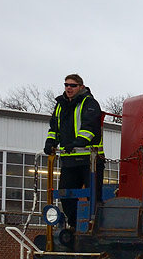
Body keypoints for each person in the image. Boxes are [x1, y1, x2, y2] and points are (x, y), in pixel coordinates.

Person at [44, 73, 104, 239]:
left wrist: (77, 143)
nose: (68, 88)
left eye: (72, 85)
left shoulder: (90, 103)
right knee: (65, 194)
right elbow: (54, 128)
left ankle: (96, 227)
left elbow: (90, 128)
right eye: (66, 85)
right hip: (69, 160)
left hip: (91, 161)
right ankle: (75, 225)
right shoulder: (60, 105)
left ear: (81, 87)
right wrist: (50, 143)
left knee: (94, 196)